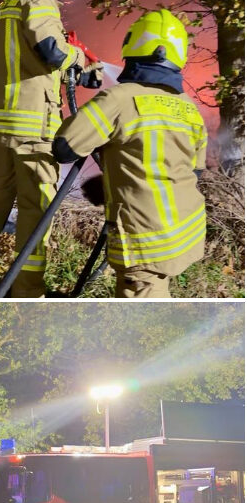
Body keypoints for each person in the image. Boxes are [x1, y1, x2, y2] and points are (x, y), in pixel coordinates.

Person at [52, 10, 206, 297]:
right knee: (158, 288)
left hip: (146, 242)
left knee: (143, 311)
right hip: (185, 232)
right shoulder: (189, 108)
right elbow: (189, 171)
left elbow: (64, 148)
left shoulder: (119, 99)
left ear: (134, 45)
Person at [0, 0, 97, 297]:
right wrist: (81, 57)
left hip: (2, 127)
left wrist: (74, 68)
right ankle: (27, 293)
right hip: (33, 131)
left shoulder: (11, 4)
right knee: (36, 210)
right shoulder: (39, 1)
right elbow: (51, 49)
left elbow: (34, 59)